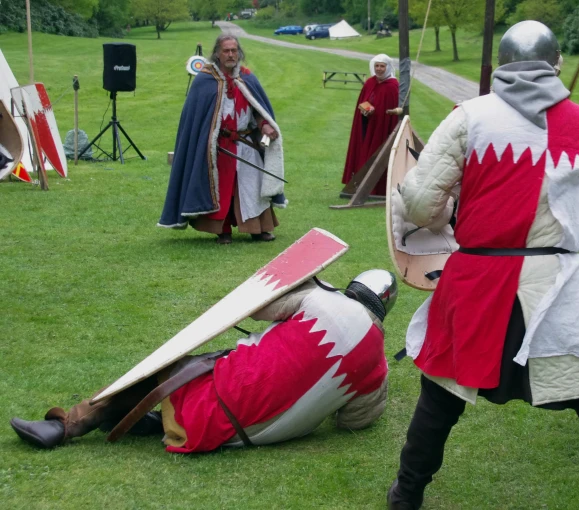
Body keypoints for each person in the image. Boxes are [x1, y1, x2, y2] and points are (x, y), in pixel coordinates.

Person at [387, 21, 579, 510]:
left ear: (502, 66)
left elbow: (421, 206)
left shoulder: (468, 117)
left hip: (478, 282)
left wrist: (449, 207)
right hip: (554, 284)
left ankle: (405, 497)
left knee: (441, 398)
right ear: (555, 65)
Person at [10, 270, 398, 452]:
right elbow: (353, 422)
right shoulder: (378, 370)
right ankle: (149, 420)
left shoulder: (321, 300)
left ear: (354, 288)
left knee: (166, 366)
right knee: (212, 368)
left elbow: (258, 309)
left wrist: (307, 283)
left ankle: (69, 425)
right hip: (251, 439)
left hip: (214, 412)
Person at [158, 34, 287, 245]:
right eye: (226, 50)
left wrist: (264, 124)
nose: (230, 54)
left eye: (234, 50)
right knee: (223, 187)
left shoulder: (247, 78)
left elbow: (258, 108)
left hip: (246, 143)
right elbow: (196, 121)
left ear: (239, 53)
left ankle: (258, 228)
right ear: (217, 53)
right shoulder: (205, 80)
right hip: (219, 148)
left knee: (252, 186)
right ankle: (222, 230)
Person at [341, 54, 400, 197]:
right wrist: (365, 110)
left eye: (382, 66)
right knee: (363, 152)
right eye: (377, 66)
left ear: (388, 67)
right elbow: (363, 101)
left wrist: (378, 112)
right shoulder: (370, 82)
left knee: (377, 153)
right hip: (366, 125)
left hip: (382, 128)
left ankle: (377, 187)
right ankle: (359, 183)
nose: (379, 69)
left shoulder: (393, 86)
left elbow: (391, 110)